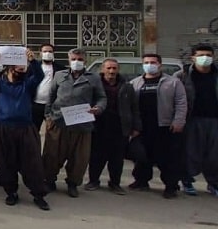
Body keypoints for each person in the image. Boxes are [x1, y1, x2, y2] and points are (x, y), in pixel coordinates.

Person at [0, 48, 50, 210]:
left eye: (22, 68)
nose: (19, 71)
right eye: (16, 68)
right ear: (8, 70)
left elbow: (40, 76)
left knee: (32, 163)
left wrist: (33, 61)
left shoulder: (27, 85)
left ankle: (38, 194)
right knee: (6, 162)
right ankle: (11, 193)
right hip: (4, 129)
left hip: (25, 129)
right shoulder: (0, 84)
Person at [42, 48, 107, 198]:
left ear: (85, 61)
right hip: (58, 121)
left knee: (79, 158)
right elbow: (50, 97)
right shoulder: (59, 75)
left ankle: (72, 184)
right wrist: (48, 117)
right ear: (68, 60)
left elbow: (101, 97)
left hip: (82, 124)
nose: (76, 62)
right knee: (51, 155)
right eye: (73, 59)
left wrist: (98, 108)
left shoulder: (94, 78)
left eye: (80, 60)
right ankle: (49, 180)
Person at [177, 44, 218, 199]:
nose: (205, 58)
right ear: (193, 57)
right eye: (201, 55)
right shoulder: (182, 75)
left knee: (217, 155)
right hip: (192, 120)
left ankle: (214, 184)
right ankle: (187, 181)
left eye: (208, 55)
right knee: (190, 152)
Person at [129, 54, 187, 198]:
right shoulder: (135, 83)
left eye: (153, 62)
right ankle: (141, 180)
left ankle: (171, 186)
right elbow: (129, 106)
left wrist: (178, 121)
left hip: (165, 126)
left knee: (167, 158)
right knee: (142, 156)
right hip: (142, 127)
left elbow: (181, 102)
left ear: (160, 64)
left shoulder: (173, 82)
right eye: (146, 62)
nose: (150, 65)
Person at [84, 59, 141, 195]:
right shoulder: (94, 84)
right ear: (103, 69)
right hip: (99, 125)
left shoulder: (127, 86)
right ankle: (93, 181)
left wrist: (136, 126)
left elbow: (134, 107)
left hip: (120, 127)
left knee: (117, 158)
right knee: (96, 156)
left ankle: (115, 183)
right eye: (109, 68)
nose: (112, 71)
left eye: (114, 68)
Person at [32, 44, 67, 132]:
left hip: (53, 106)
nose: (47, 53)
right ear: (40, 53)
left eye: (50, 51)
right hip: (36, 105)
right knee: (33, 132)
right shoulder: (33, 67)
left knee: (53, 132)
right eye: (45, 51)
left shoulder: (61, 69)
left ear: (53, 53)